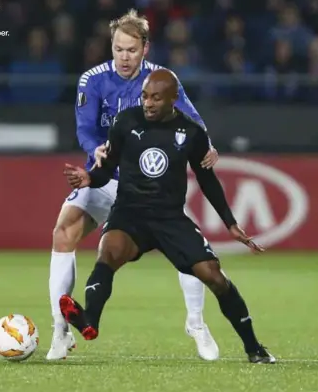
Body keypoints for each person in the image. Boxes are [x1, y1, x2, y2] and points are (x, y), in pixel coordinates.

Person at [60, 69, 277, 364]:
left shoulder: (191, 132)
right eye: (145, 96)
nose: (148, 103)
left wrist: (231, 223)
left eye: (156, 98)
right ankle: (89, 322)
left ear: (173, 99)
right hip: (130, 214)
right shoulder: (126, 123)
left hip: (170, 218)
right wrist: (89, 178)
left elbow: (207, 179)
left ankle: (253, 347)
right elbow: (107, 168)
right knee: (108, 254)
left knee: (215, 276)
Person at [47, 9, 220, 361]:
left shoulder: (161, 80)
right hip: (104, 175)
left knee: (190, 252)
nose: (123, 57)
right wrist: (93, 148)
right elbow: (85, 127)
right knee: (63, 230)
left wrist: (208, 144)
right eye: (117, 49)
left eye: (130, 50)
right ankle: (60, 332)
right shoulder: (92, 80)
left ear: (145, 48)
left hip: (148, 186)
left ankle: (196, 324)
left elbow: (192, 117)